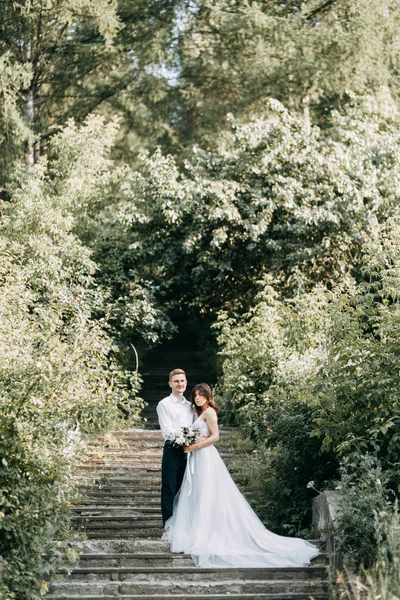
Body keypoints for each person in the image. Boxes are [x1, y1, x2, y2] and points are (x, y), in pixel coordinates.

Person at [162, 383, 319, 569]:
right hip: (197, 457)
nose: (197, 398)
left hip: (205, 456)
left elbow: (216, 436)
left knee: (208, 492)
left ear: (208, 396)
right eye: (195, 395)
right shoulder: (198, 412)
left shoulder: (210, 412)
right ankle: (200, 528)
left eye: (201, 394)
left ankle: (210, 532)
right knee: (199, 493)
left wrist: (194, 446)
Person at [156, 369, 194, 527]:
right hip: (173, 450)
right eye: (177, 381)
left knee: (187, 489)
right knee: (170, 489)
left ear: (186, 383)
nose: (180, 384)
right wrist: (184, 439)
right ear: (170, 383)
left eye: (182, 381)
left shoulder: (191, 405)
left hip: (191, 451)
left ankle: (184, 526)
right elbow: (167, 431)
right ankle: (168, 527)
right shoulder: (164, 404)